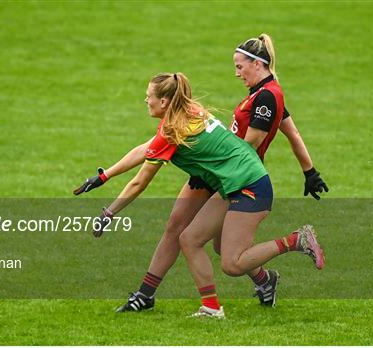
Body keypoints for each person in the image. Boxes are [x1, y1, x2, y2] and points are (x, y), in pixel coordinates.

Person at [73, 34, 328, 312]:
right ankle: (153, 295)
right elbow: (145, 149)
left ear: (166, 101)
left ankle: (286, 249)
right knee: (189, 235)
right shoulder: (189, 109)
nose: (144, 101)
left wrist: (109, 213)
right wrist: (103, 176)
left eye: (149, 98)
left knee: (227, 258)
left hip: (239, 180)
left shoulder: (266, 96)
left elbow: (140, 182)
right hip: (224, 176)